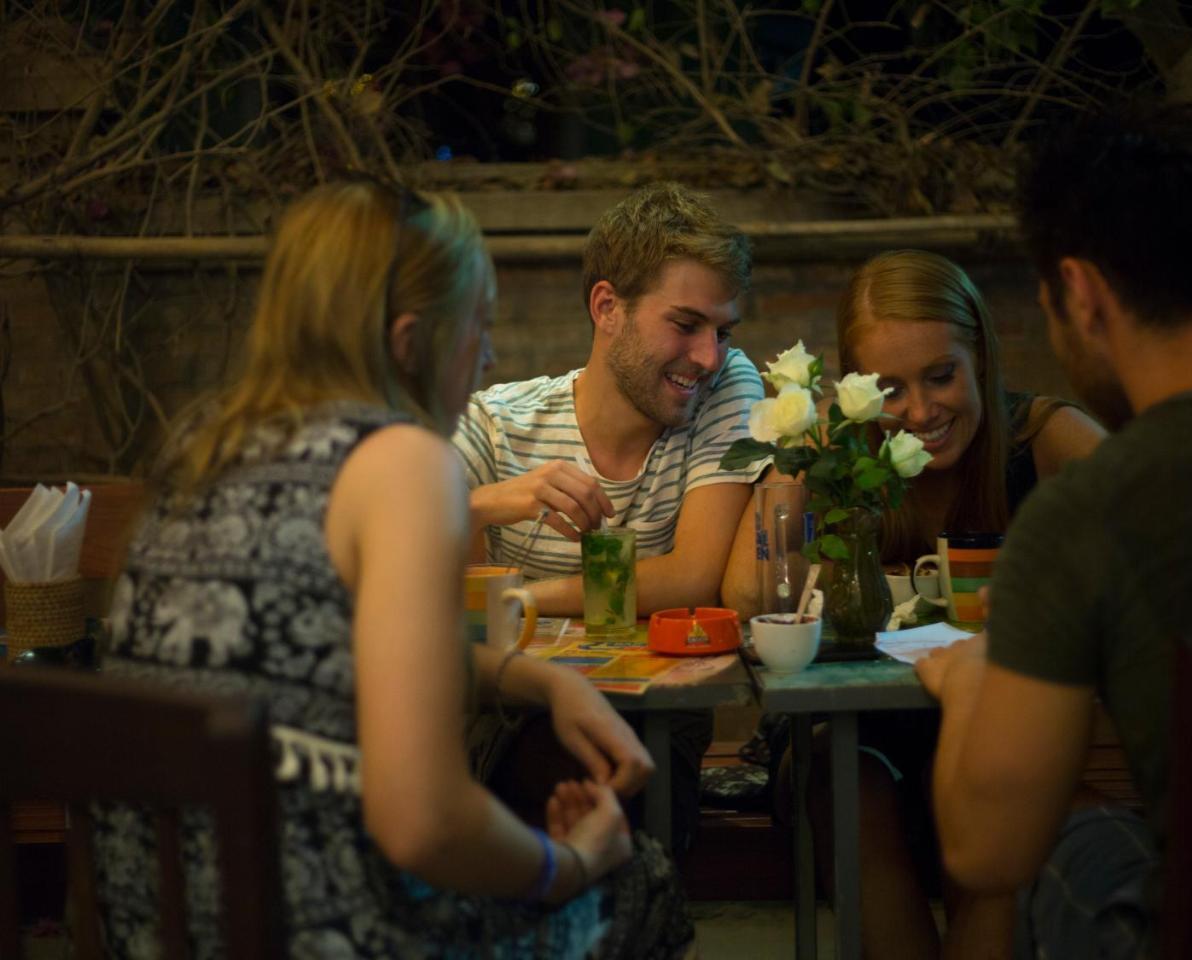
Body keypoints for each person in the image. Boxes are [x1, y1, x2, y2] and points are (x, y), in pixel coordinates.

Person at [96, 181, 694, 958]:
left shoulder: (207, 445)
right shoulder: (403, 462)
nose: (489, 355)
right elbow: (424, 823)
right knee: (638, 881)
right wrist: (568, 862)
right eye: (478, 327)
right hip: (305, 920)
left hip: (160, 914)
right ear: (410, 342)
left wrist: (542, 680)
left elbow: (329, 657)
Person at [917, 107, 1192, 959]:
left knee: (1071, 845)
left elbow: (985, 851)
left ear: (1080, 293)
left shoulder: (1092, 514)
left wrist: (969, 682)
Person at [721, 250, 1107, 959]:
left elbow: (1147, 545)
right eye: (890, 389)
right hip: (840, 739)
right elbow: (750, 594)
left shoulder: (1043, 440)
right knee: (851, 788)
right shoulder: (839, 456)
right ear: (857, 385)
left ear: (981, 357)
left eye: (942, 375)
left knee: (996, 780)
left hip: (987, 728)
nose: (923, 413)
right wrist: (808, 440)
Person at [452, 181, 769, 852]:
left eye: (722, 330)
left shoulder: (723, 385)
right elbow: (416, 585)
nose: (709, 356)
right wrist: (477, 504)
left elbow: (693, 579)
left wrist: (521, 598)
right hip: (507, 723)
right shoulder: (496, 424)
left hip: (656, 725)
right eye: (685, 325)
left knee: (624, 787)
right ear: (607, 307)